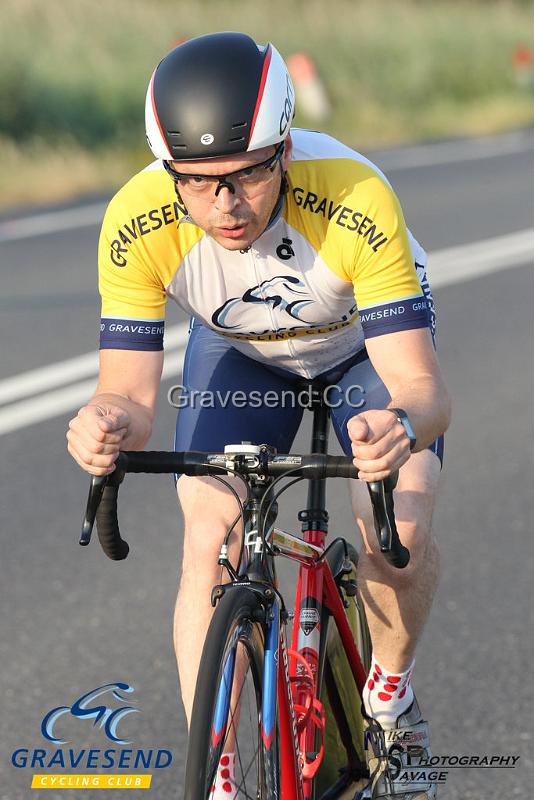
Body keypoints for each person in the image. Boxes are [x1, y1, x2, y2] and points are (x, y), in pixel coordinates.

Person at [67, 32, 451, 799]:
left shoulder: (352, 195)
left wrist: (398, 429)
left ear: (282, 150)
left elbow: (421, 388)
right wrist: (103, 422)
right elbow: (132, 399)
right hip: (243, 356)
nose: (225, 205)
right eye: (199, 184)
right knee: (209, 539)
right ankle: (217, 779)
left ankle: (388, 701)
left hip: (362, 354)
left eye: (246, 177)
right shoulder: (136, 219)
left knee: (395, 529)